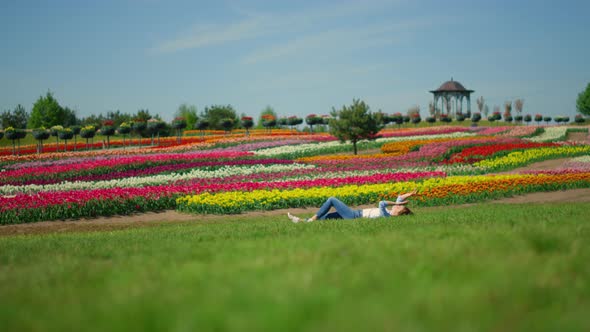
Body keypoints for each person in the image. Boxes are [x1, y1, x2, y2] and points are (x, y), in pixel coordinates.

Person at [287, 190, 417, 223]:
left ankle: (309, 220)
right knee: (326, 218)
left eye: (398, 208)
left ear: (398, 214)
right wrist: (410, 194)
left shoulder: (387, 216)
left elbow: (381, 203)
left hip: (354, 216)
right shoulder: (390, 212)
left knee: (332, 199)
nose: (396, 206)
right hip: (355, 214)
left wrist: (396, 203)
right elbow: (399, 197)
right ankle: (303, 221)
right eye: (397, 206)